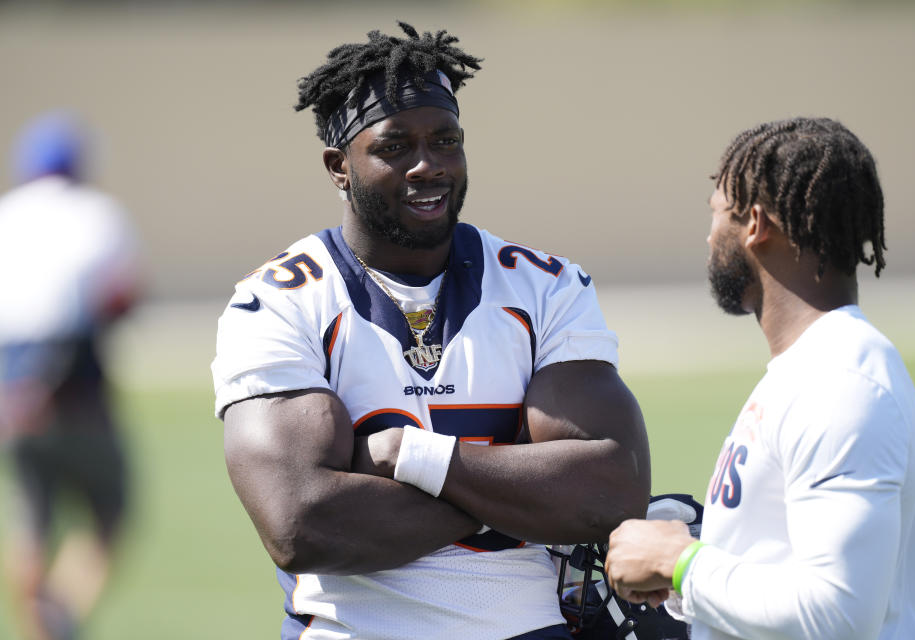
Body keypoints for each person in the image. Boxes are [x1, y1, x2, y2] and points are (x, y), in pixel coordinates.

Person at [211, 22, 651, 640]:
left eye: (446, 141)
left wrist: (410, 455)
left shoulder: (547, 286)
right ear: (339, 167)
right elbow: (300, 526)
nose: (428, 166)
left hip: (527, 627)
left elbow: (612, 491)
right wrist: (517, 487)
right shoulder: (278, 302)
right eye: (395, 147)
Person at [604, 117, 915, 639]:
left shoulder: (840, 382)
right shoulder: (804, 371)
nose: (708, 236)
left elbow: (838, 615)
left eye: (716, 214)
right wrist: (684, 574)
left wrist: (680, 562)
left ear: (754, 225)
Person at [0, 111, 140, 640]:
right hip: (73, 379)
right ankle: (61, 617)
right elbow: (120, 294)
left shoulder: (6, 215)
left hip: (9, 385)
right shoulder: (96, 213)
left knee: (31, 518)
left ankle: (37, 628)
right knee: (109, 509)